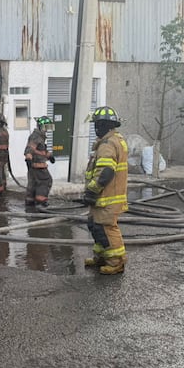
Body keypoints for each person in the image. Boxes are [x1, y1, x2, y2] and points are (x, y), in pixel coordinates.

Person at [82, 106, 129, 275]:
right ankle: (101, 257)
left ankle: (116, 262)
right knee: (96, 226)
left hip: (106, 197)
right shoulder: (114, 140)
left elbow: (106, 172)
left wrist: (92, 191)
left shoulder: (107, 144)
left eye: (98, 124)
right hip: (105, 197)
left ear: (106, 126)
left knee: (107, 228)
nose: (96, 128)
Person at [24, 115, 55, 207]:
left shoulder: (39, 137)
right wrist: (28, 158)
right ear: (40, 126)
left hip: (35, 166)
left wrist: (50, 156)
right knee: (46, 181)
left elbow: (41, 150)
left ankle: (30, 202)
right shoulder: (36, 137)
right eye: (45, 127)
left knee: (33, 183)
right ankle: (41, 201)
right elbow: (29, 149)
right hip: (38, 166)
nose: (46, 130)